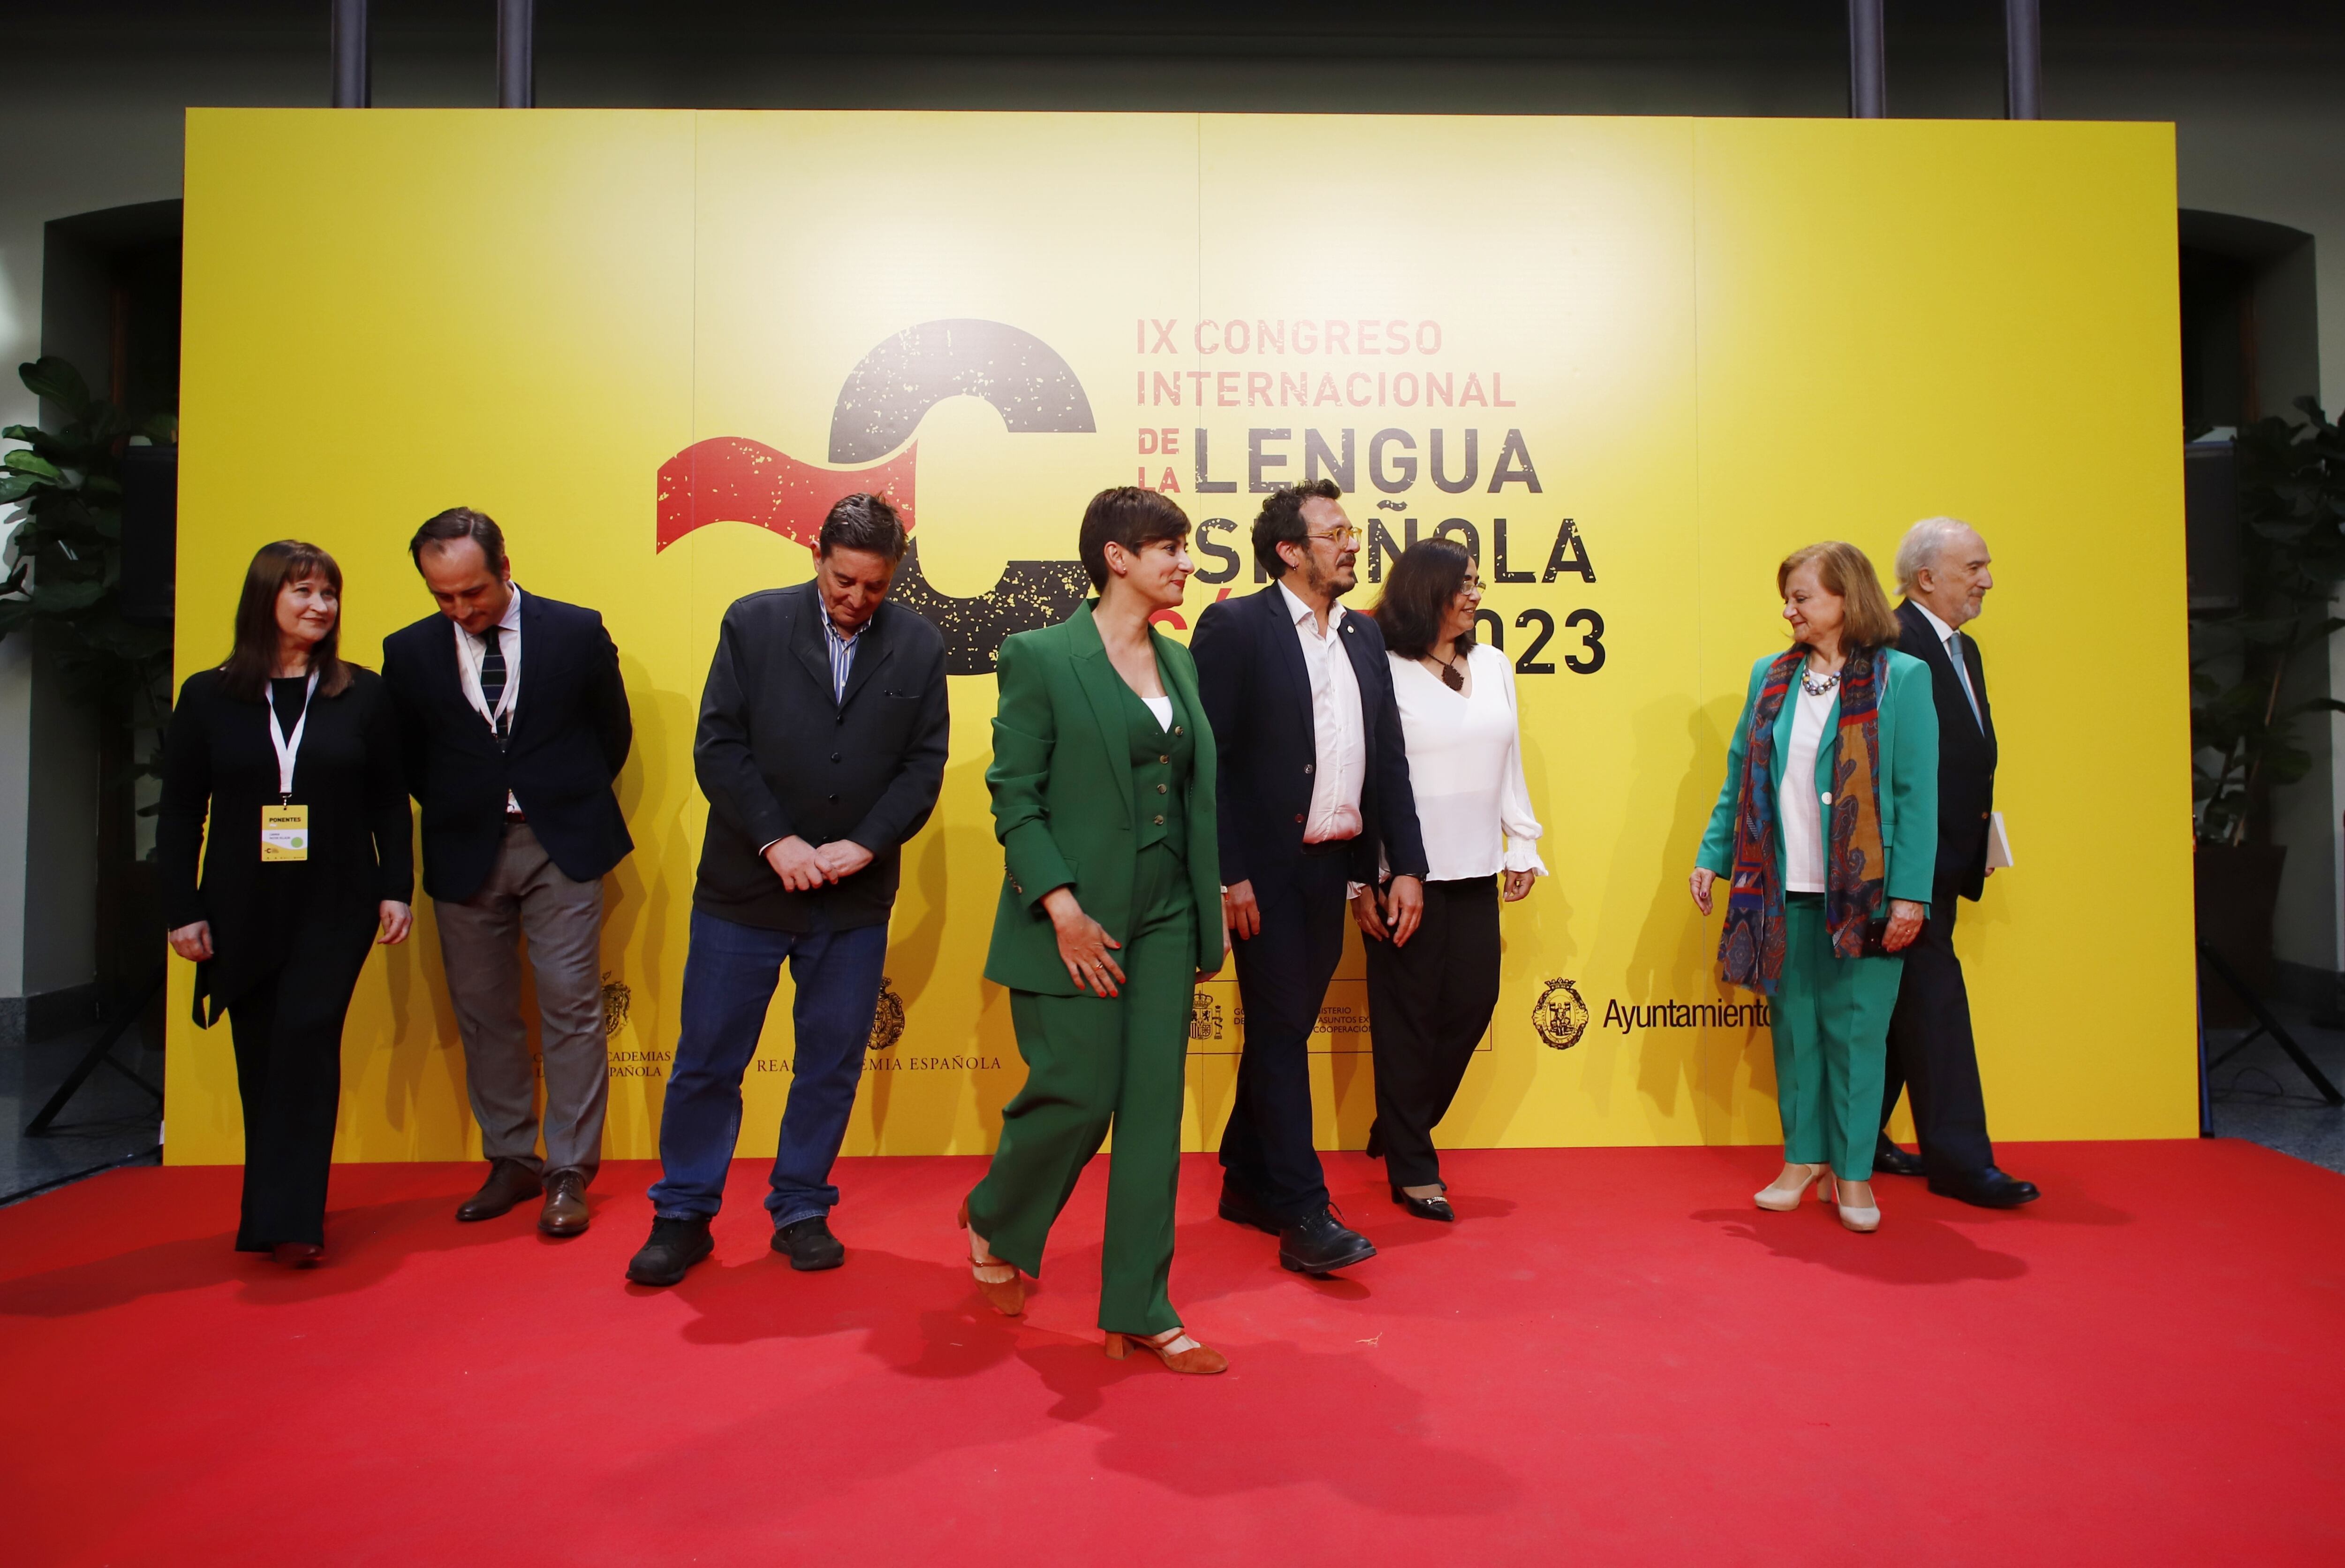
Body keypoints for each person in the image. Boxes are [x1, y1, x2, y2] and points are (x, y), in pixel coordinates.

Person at [628, 493, 949, 1286]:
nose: (856, 600)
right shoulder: (754, 623)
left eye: (874, 587)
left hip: (852, 896)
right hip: (745, 887)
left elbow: (923, 766)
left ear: (894, 576)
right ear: (817, 556)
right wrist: (780, 841)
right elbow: (720, 747)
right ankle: (683, 1213)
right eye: (844, 582)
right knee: (707, 1059)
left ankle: (802, 1206)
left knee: (831, 1063)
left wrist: (865, 845)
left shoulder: (917, 644)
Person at [960, 487, 1230, 1374]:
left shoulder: (1180, 662)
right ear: (1117, 557)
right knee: (1078, 1090)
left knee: (1153, 1113)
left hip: (1166, 913)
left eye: (1184, 548)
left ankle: (1142, 1308)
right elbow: (1014, 793)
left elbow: (1189, 793)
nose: (1185, 562)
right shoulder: (1039, 656)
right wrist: (1063, 907)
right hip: (1074, 912)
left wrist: (1204, 904)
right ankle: (996, 1214)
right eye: (1169, 548)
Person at [1190, 478, 1427, 1275]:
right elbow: (1208, 761)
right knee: (1284, 1029)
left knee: (1281, 1030)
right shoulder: (1234, 626)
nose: (1352, 543)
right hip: (1264, 873)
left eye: (1352, 531)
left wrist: (1402, 868)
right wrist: (1228, 873)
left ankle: (1247, 1178)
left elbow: (1386, 759)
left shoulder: (1362, 636)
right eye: (1334, 534)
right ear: (1290, 551)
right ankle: (1301, 1208)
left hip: (1335, 869)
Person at [382, 508, 635, 1237]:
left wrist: (556, 798)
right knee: (485, 1013)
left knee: (571, 1006)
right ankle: (512, 1160)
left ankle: (568, 1172)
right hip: (466, 848)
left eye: (474, 593)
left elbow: (610, 734)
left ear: (505, 568)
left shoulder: (575, 631)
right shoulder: (408, 653)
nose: (462, 610)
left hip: (562, 843)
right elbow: (411, 759)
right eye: (444, 597)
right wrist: (474, 803)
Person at [159, 541, 413, 1265]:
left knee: (306, 1038)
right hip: (240, 903)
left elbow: (390, 803)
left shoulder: (361, 693)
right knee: (260, 1053)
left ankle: (294, 1219)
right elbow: (180, 814)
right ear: (264, 599)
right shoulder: (209, 697)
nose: (319, 607)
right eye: (303, 591)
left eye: (329, 594)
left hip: (337, 901)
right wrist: (182, 907)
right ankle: (270, 1213)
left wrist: (395, 886)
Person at [1689, 541, 1937, 1233]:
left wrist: (1912, 894)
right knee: (1795, 1034)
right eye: (1789, 596)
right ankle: (1804, 1159)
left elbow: (1918, 797)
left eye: (1802, 597)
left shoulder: (1902, 679)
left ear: (1845, 599)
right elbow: (1741, 780)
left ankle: (1854, 1173)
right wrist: (1712, 857)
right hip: (1778, 888)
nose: (1789, 609)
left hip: (1868, 895)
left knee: (1858, 1036)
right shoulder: (1771, 677)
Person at [1360, 539, 1545, 1222]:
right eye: (1461, 585)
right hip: (1403, 876)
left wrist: (1520, 840)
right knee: (1405, 1023)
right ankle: (1414, 1166)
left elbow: (1510, 757)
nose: (1474, 595)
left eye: (1477, 583)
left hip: (1476, 869)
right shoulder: (1378, 663)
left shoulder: (1494, 663)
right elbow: (1365, 775)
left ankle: (1400, 1122)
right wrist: (1366, 880)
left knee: (1471, 1006)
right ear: (1423, 591)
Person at [1871, 518, 2040, 1207]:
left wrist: (1978, 840)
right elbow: (1883, 769)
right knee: (1935, 1001)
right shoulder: (1889, 644)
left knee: (1901, 1004)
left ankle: (1851, 1138)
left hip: (1945, 858)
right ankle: (1963, 1162)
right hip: (1906, 868)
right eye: (1974, 567)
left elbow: (1964, 758)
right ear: (1926, 578)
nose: (1987, 580)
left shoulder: (1961, 649)